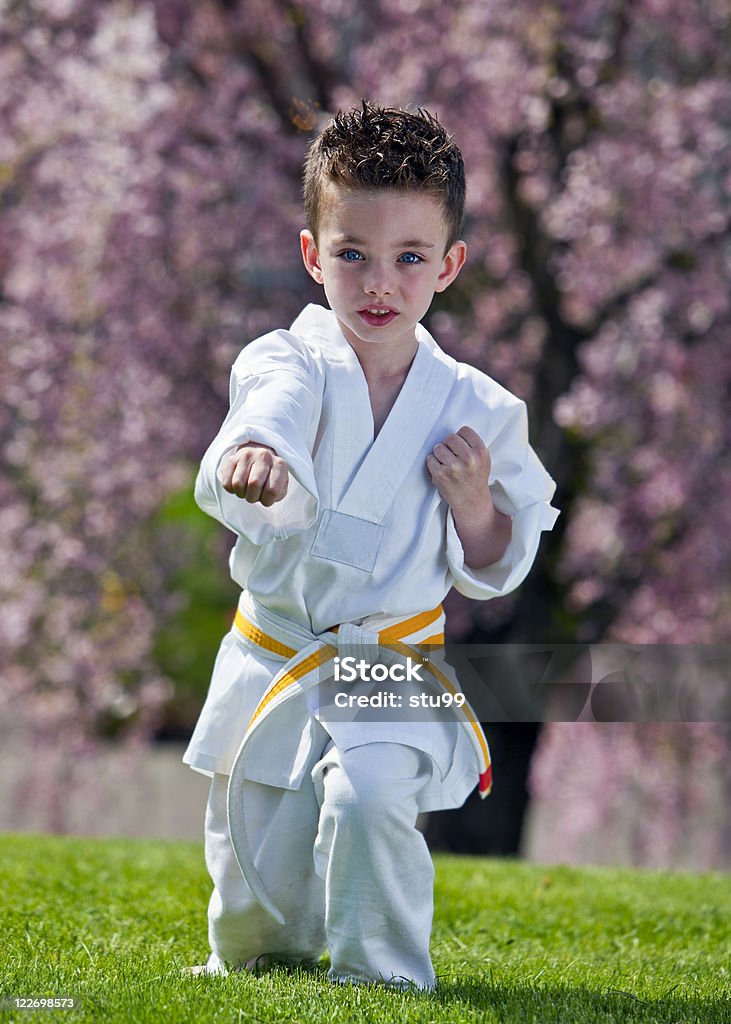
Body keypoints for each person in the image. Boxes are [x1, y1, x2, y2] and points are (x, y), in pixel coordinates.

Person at [183, 100, 558, 990]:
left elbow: (505, 555)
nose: (378, 283)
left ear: (449, 265)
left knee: (368, 795)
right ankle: (259, 958)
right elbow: (266, 411)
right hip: (278, 644)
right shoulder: (286, 360)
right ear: (313, 255)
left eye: (408, 258)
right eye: (351, 254)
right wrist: (260, 454)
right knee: (257, 858)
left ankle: (384, 974)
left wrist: (472, 506)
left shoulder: (481, 408)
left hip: (388, 654)